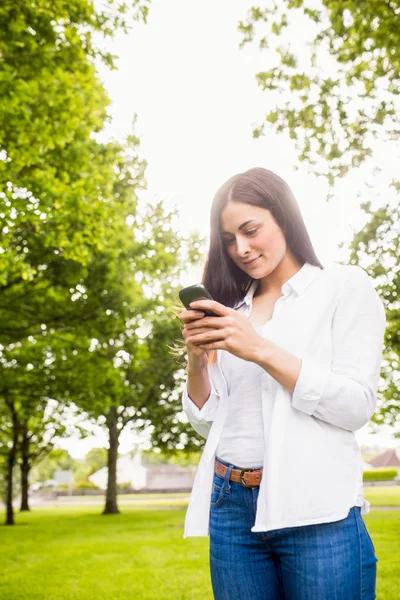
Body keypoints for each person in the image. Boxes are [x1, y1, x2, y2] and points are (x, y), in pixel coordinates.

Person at [178, 167, 386, 600]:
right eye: (229, 239)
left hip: (316, 505)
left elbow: (356, 406)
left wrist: (260, 349)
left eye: (251, 230)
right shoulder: (233, 308)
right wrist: (196, 360)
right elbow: (208, 422)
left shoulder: (344, 287)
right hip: (231, 505)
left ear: (284, 216)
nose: (241, 248)